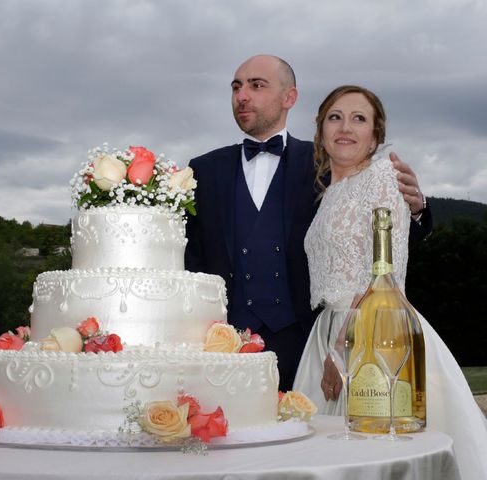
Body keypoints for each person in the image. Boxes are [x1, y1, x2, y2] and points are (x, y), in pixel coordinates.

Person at [185, 55, 431, 390]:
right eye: (236, 87)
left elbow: (380, 249)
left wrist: (417, 210)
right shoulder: (203, 170)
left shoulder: (328, 159)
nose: (242, 95)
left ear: (290, 98)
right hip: (225, 346)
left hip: (306, 342)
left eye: (257, 85)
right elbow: (191, 259)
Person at [292, 84, 487, 480]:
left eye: (358, 118)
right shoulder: (329, 193)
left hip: (375, 332)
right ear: (321, 131)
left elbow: (387, 273)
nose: (345, 127)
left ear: (376, 137)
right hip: (326, 331)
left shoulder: (383, 177)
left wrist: (343, 350)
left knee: (380, 449)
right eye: (335, 117)